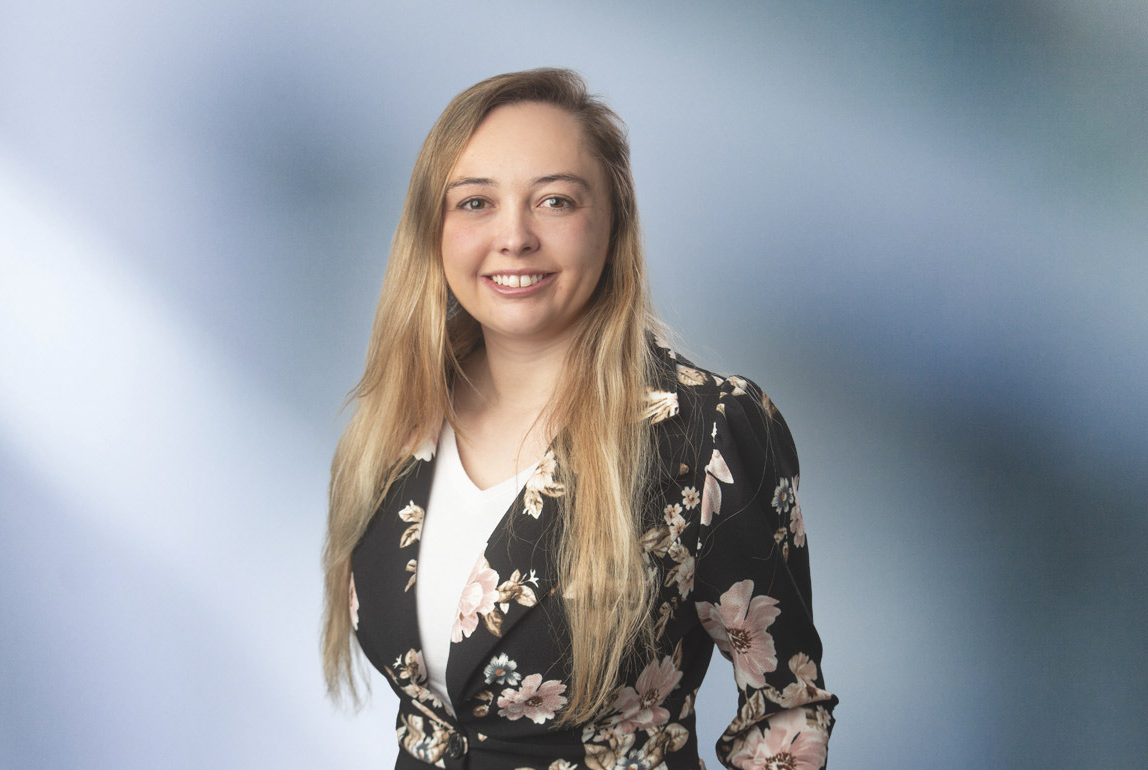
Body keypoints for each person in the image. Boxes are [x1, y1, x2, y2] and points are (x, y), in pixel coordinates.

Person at [321, 68, 838, 769]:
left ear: (614, 219)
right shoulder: (394, 424)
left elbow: (785, 716)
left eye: (555, 201)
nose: (514, 237)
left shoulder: (708, 432)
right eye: (475, 203)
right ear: (431, 228)